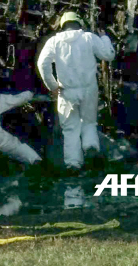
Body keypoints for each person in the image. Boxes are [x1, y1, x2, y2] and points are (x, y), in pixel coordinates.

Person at [37, 11, 115, 173]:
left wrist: (53, 86)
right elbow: (108, 56)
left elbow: (42, 64)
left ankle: (73, 165)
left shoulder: (55, 41)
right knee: (89, 122)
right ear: (79, 23)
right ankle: (90, 147)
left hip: (66, 92)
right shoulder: (88, 38)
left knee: (70, 129)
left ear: (63, 25)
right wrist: (105, 38)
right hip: (88, 89)